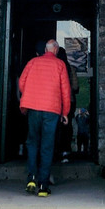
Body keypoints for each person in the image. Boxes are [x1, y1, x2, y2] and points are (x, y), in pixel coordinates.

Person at [18, 38, 70, 196]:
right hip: (51, 109)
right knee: (47, 146)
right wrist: (65, 112)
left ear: (46, 50)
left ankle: (32, 178)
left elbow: (21, 83)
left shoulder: (32, 62)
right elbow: (65, 90)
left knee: (33, 142)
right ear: (56, 50)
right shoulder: (60, 65)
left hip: (33, 107)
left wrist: (31, 95)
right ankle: (43, 186)